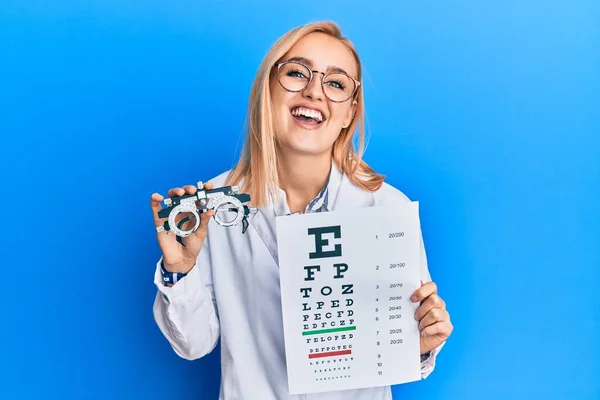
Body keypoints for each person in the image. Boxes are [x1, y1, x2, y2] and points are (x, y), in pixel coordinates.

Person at [150, 20, 453, 400]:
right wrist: (181, 270)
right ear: (268, 91)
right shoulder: (214, 204)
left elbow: (398, 347)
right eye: (297, 73)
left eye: (336, 83)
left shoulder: (387, 209)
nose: (314, 91)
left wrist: (422, 342)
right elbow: (192, 344)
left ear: (349, 113)